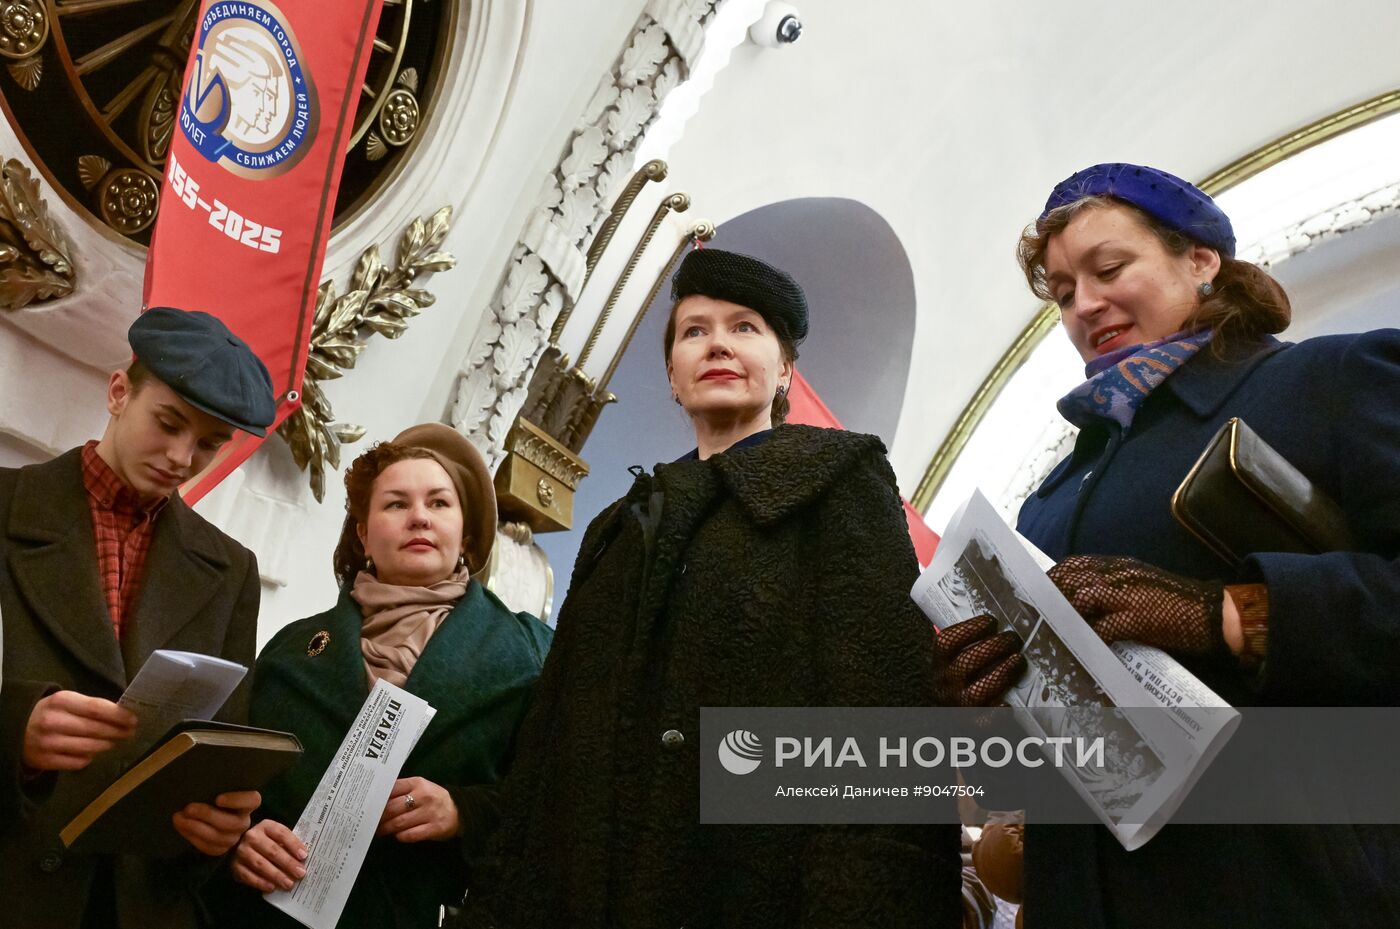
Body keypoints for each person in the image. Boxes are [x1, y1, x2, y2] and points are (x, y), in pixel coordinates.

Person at [936, 163, 1400, 927]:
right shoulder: (1048, 503)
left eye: (1109, 268)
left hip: (1297, 883)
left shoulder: (1334, 380)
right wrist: (980, 706)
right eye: (1060, 292)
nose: (1085, 304)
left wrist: (1224, 613)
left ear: (1200, 259)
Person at [460, 248, 962, 928]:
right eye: (694, 331)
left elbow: (883, 708)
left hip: (754, 891)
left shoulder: (838, 485)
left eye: (745, 327)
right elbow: (552, 740)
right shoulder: (620, 525)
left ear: (785, 369)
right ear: (672, 375)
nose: (717, 342)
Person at [0, 306, 276, 929]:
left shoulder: (232, 571)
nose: (182, 457)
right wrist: (12, 729)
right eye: (169, 423)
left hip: (138, 901)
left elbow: (219, 745)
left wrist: (221, 825)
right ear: (120, 392)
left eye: (209, 442)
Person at [225, 423, 552, 928]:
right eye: (396, 504)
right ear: (363, 533)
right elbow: (230, 780)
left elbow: (554, 801)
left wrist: (463, 811)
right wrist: (242, 839)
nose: (419, 517)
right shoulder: (292, 648)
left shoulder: (526, 658)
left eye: (440, 503)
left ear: (465, 533)